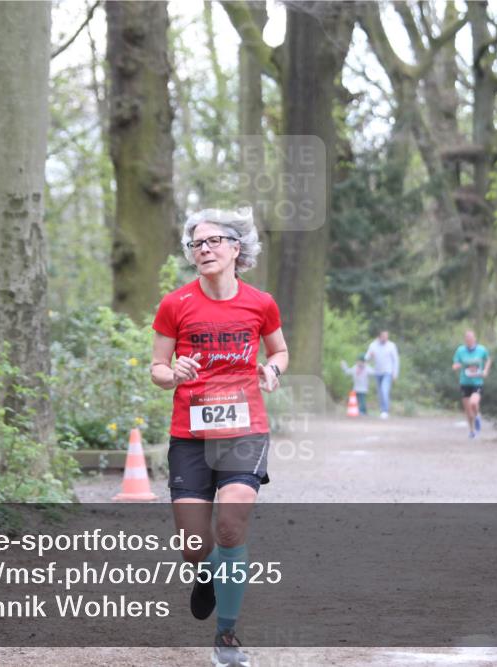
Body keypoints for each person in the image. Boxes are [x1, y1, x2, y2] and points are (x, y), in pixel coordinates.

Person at [150, 207, 287, 667]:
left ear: (236, 248)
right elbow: (157, 369)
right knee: (194, 545)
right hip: (189, 434)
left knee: (230, 526)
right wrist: (173, 373)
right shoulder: (176, 305)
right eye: (196, 243)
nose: (203, 249)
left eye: (213, 241)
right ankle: (210, 574)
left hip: (245, 430)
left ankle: (226, 636)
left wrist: (271, 369)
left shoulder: (260, 303)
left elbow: (281, 350)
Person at [452, 329, 492, 439]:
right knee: (468, 410)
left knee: (474, 403)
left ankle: (478, 416)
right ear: (465, 340)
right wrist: (456, 366)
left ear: (474, 339)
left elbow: (488, 359)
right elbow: (455, 363)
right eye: (467, 338)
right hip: (465, 382)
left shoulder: (481, 350)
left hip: (477, 382)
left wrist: (485, 370)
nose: (469, 340)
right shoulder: (460, 350)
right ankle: (472, 430)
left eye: (471, 338)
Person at [366, 330, 400, 419]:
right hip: (377, 372)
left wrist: (395, 373)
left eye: (387, 336)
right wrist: (370, 356)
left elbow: (395, 360)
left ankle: (385, 410)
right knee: (380, 392)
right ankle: (382, 410)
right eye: (384, 336)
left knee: (384, 390)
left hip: (387, 372)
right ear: (379, 337)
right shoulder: (373, 345)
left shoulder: (391, 346)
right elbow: (366, 358)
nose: (385, 338)